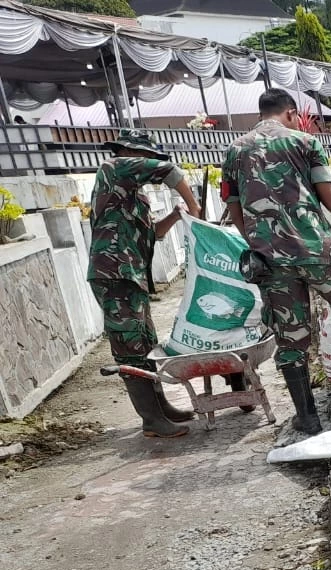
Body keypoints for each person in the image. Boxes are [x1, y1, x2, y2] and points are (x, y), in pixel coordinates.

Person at [222, 90, 331, 434]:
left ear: (262, 112)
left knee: (290, 338)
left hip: (271, 260)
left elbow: (234, 207)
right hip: (317, 252)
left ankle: (308, 418)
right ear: (292, 113)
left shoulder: (235, 150)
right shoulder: (305, 142)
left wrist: (257, 240)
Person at [87, 129, 202, 439]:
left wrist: (179, 216)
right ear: (130, 153)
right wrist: (193, 204)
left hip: (131, 277)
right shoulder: (114, 169)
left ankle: (162, 408)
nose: (148, 163)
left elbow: (153, 234)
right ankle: (151, 419)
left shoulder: (134, 194)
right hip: (113, 275)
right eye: (146, 157)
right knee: (129, 347)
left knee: (145, 341)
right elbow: (169, 171)